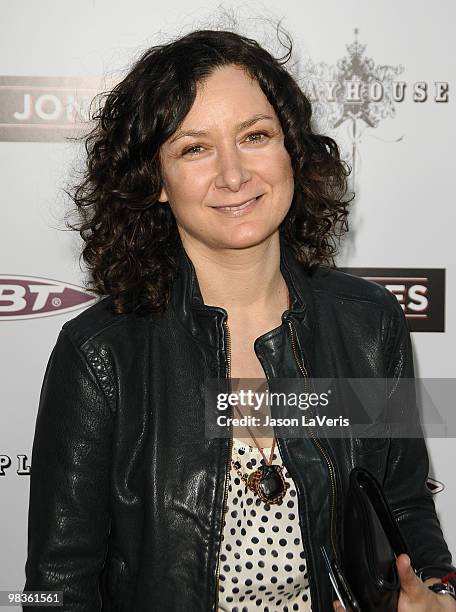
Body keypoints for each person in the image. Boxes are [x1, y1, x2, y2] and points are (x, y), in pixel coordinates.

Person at [23, 27, 456, 612]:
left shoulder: (369, 327)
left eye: (254, 136)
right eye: (194, 147)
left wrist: (436, 591)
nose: (234, 174)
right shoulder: (102, 354)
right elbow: (57, 583)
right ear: (154, 181)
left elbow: (404, 505)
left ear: (290, 151)